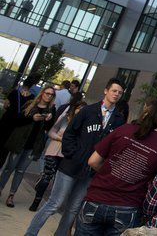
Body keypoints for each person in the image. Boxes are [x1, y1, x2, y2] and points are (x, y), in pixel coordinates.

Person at [25, 77, 125, 236]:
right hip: (70, 166)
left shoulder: (119, 120)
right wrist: (72, 154)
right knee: (54, 203)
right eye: (114, 90)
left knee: (72, 209)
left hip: (90, 172)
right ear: (106, 90)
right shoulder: (88, 110)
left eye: (120, 93)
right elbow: (70, 134)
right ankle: (30, 233)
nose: (116, 94)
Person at [74, 97, 157, 235]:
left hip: (96, 199)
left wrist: (109, 172)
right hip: (128, 207)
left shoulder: (125, 130)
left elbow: (93, 161)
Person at [0, 85, 56, 207]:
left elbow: (48, 129)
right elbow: (18, 120)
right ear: (42, 93)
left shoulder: (51, 110)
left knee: (20, 171)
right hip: (20, 142)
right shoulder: (31, 104)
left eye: (52, 94)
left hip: (33, 146)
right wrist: (32, 118)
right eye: (47, 93)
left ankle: (11, 195)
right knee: (9, 168)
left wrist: (49, 120)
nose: (49, 96)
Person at [30, 97, 87, 211]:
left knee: (58, 181)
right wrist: (61, 138)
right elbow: (51, 131)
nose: (80, 111)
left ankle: (52, 203)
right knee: (47, 176)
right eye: (79, 108)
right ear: (74, 109)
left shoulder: (83, 125)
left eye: (83, 109)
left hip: (67, 155)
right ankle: (36, 201)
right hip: (54, 150)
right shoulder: (65, 119)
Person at [0, 73, 41, 170]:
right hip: (16, 127)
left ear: (24, 83)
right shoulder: (31, 99)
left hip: (6, 122)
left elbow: (6, 105)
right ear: (32, 85)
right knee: (5, 151)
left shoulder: (14, 92)